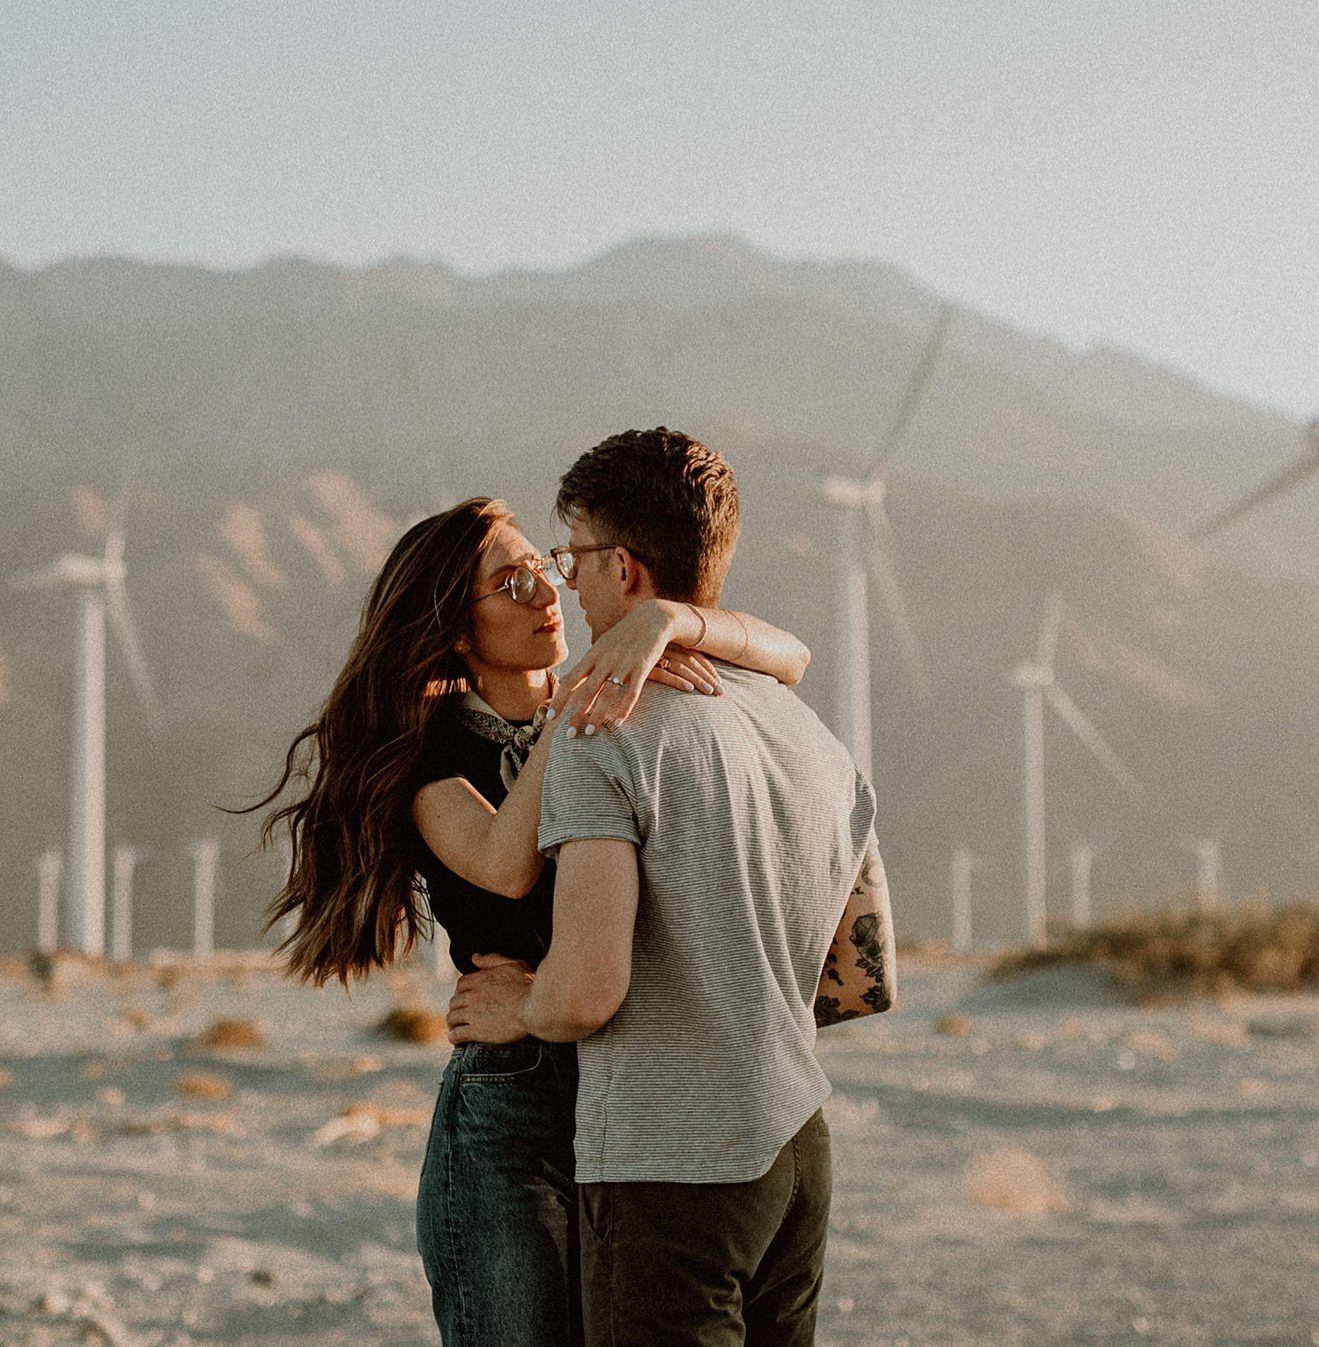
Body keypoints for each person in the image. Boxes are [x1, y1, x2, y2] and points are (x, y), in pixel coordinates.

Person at [253, 496, 813, 1347]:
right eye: (512, 584)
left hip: (628, 1086)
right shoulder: (435, 754)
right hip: (512, 1102)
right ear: (456, 629)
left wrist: (672, 622)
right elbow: (504, 862)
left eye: (545, 568)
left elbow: (792, 657)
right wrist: (581, 701)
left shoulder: (618, 688)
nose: (548, 594)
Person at [448, 429, 894, 1347]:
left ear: (624, 568)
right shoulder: (805, 729)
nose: (566, 586)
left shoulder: (602, 733)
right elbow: (858, 970)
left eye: (573, 559)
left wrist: (518, 1004)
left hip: (672, 1163)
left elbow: (586, 992)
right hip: (797, 1146)